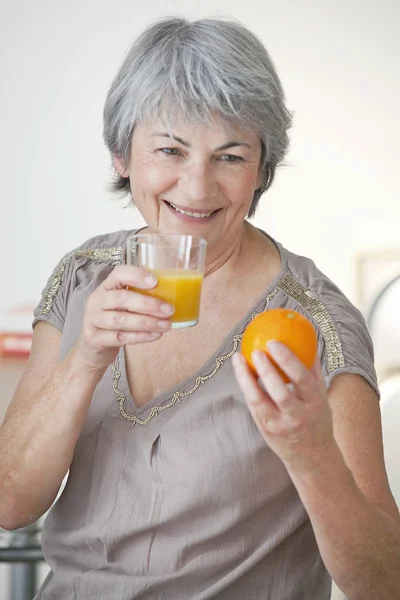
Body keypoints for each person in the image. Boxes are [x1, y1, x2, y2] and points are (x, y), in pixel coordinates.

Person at [0, 16, 399, 600]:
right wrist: (84, 358)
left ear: (262, 170)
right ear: (122, 155)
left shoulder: (317, 322)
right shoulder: (83, 278)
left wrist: (311, 453)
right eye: (170, 149)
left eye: (230, 157)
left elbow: (386, 583)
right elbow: (10, 504)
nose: (197, 187)